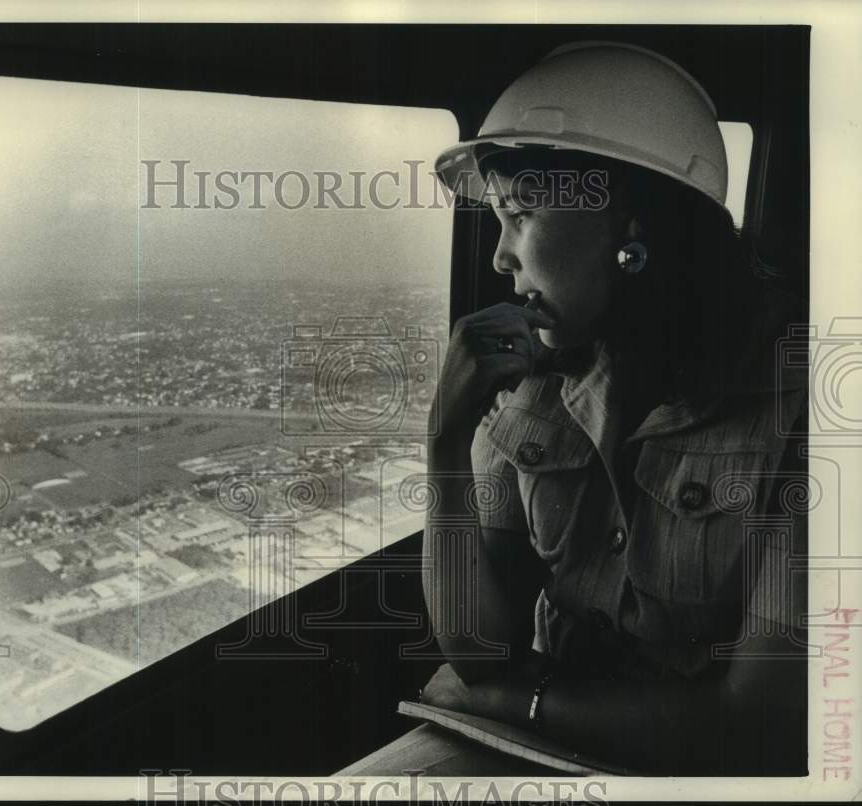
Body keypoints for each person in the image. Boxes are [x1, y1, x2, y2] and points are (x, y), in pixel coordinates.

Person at [338, 41, 809, 776]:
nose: (500, 257)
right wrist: (444, 442)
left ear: (631, 225)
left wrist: (521, 702)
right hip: (534, 743)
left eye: (519, 214)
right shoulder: (538, 375)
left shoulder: (802, 404)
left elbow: (754, 727)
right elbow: (478, 653)